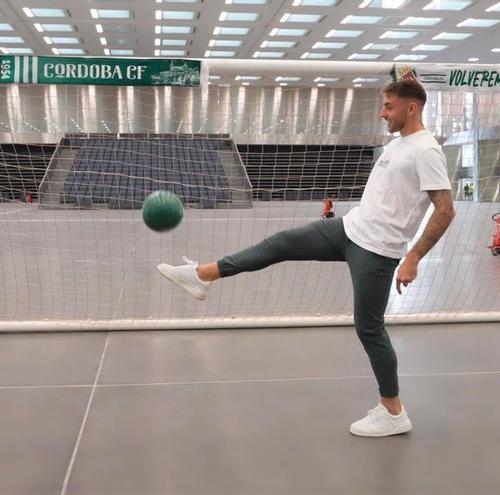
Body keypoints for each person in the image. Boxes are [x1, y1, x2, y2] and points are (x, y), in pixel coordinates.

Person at [157, 79, 455, 437]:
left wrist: (413, 258)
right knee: (281, 243)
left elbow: (445, 210)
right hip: (348, 230)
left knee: (369, 328)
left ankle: (393, 412)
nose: (382, 113)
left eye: (389, 107)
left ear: (412, 108)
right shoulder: (399, 144)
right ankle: (203, 275)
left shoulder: (426, 150)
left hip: (378, 250)